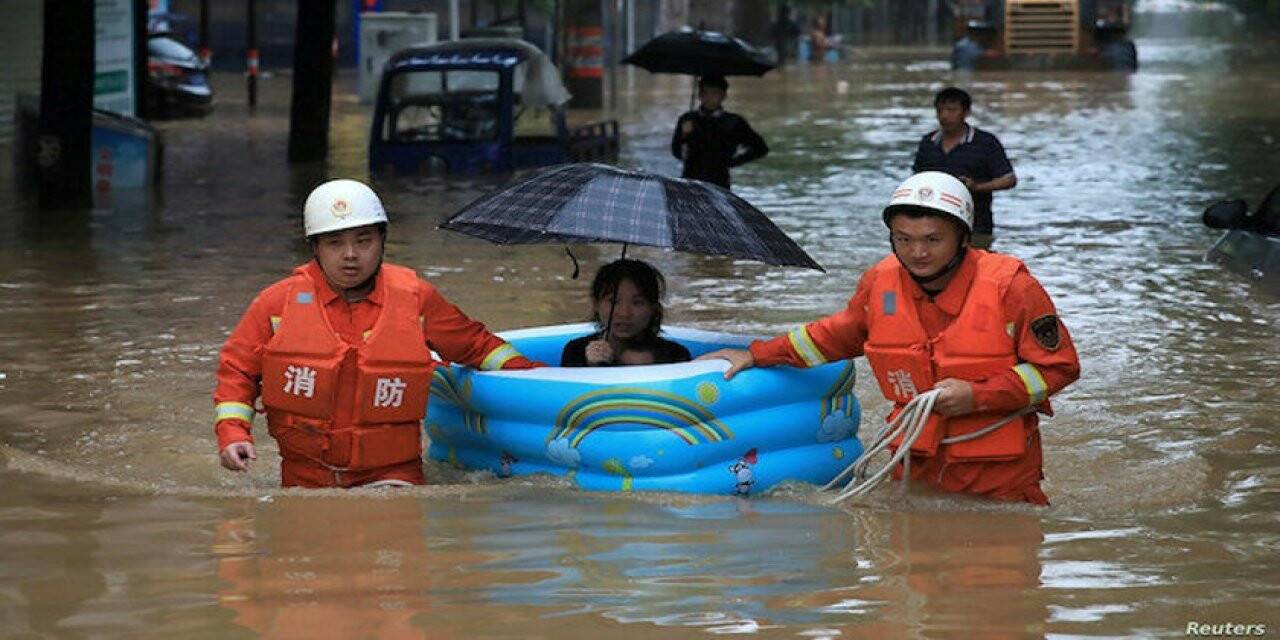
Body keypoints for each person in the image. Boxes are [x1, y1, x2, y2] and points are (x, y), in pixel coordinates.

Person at [698, 172, 1080, 505]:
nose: (917, 253)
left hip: (1001, 481)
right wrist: (757, 354)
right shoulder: (880, 282)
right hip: (915, 468)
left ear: (963, 238)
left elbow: (1059, 368)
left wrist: (977, 396)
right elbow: (833, 336)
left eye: (933, 239)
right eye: (904, 239)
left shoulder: (1012, 287)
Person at [213, 179, 540, 488]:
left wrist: (541, 378)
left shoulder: (416, 298)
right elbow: (238, 371)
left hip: (394, 475)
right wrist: (233, 434)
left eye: (364, 240)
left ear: (382, 241)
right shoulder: (276, 304)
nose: (351, 254)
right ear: (315, 248)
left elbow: (479, 348)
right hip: (305, 477)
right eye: (335, 243)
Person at [912, 87, 1016, 236]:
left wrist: (977, 186)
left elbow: (1008, 180)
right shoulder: (928, 143)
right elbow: (917, 178)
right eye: (940, 111)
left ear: (966, 112)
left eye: (951, 110)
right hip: (933, 222)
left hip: (975, 222)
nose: (945, 116)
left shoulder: (985, 142)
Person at [560, 258, 691, 367]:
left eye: (637, 302)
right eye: (613, 301)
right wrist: (592, 368)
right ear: (596, 305)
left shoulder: (675, 355)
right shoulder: (576, 352)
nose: (624, 313)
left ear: (654, 308)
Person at [670, 75, 769, 190]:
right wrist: (683, 135)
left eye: (715, 93)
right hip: (690, 181)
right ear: (699, 95)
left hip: (719, 183)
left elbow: (760, 148)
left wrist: (731, 162)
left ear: (723, 96)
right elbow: (677, 151)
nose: (709, 98)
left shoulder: (733, 122)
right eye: (705, 93)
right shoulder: (687, 120)